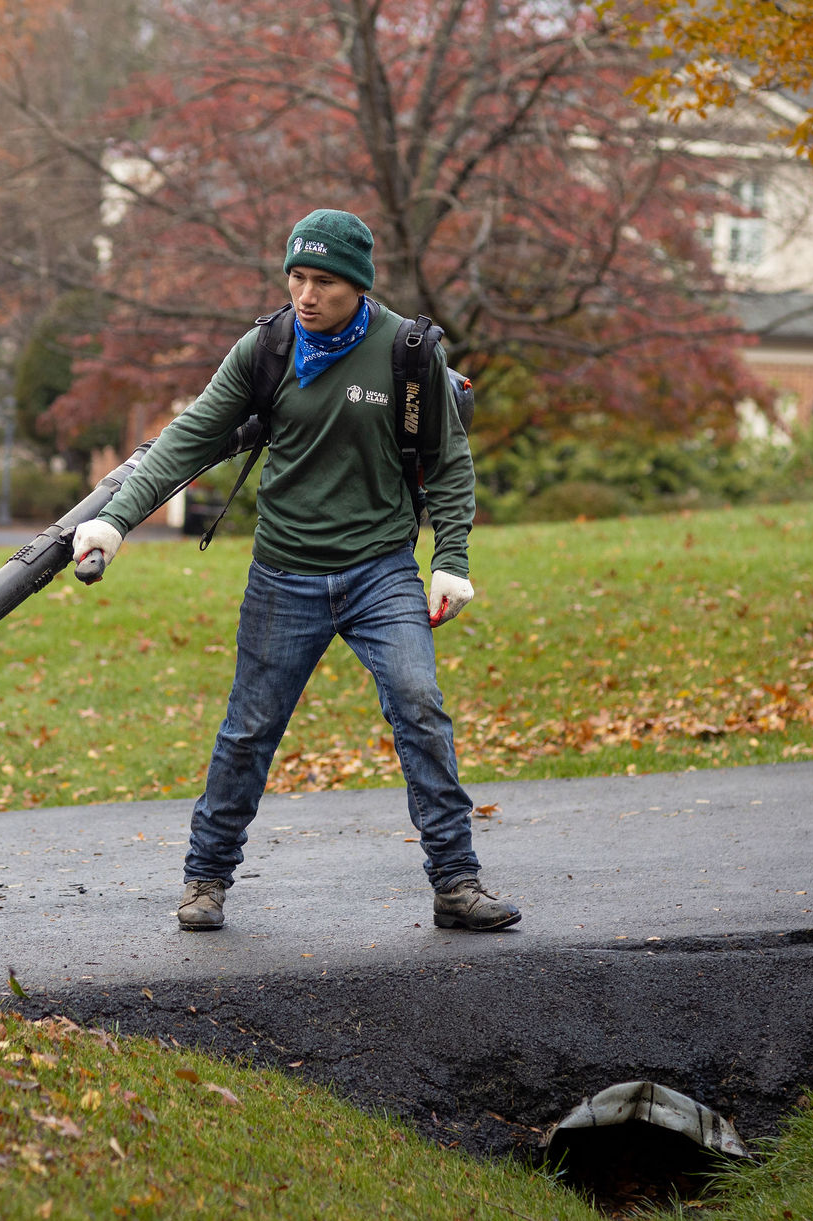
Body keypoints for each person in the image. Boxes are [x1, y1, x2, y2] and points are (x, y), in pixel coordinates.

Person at [73, 209, 516, 933]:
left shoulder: (407, 351)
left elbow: (450, 460)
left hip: (380, 571)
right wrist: (116, 519)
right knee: (249, 728)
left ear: (359, 286)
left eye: (325, 282)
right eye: (297, 277)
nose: (307, 294)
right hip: (284, 573)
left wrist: (452, 559)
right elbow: (189, 438)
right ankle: (205, 879)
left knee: (420, 705)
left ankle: (456, 882)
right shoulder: (266, 348)